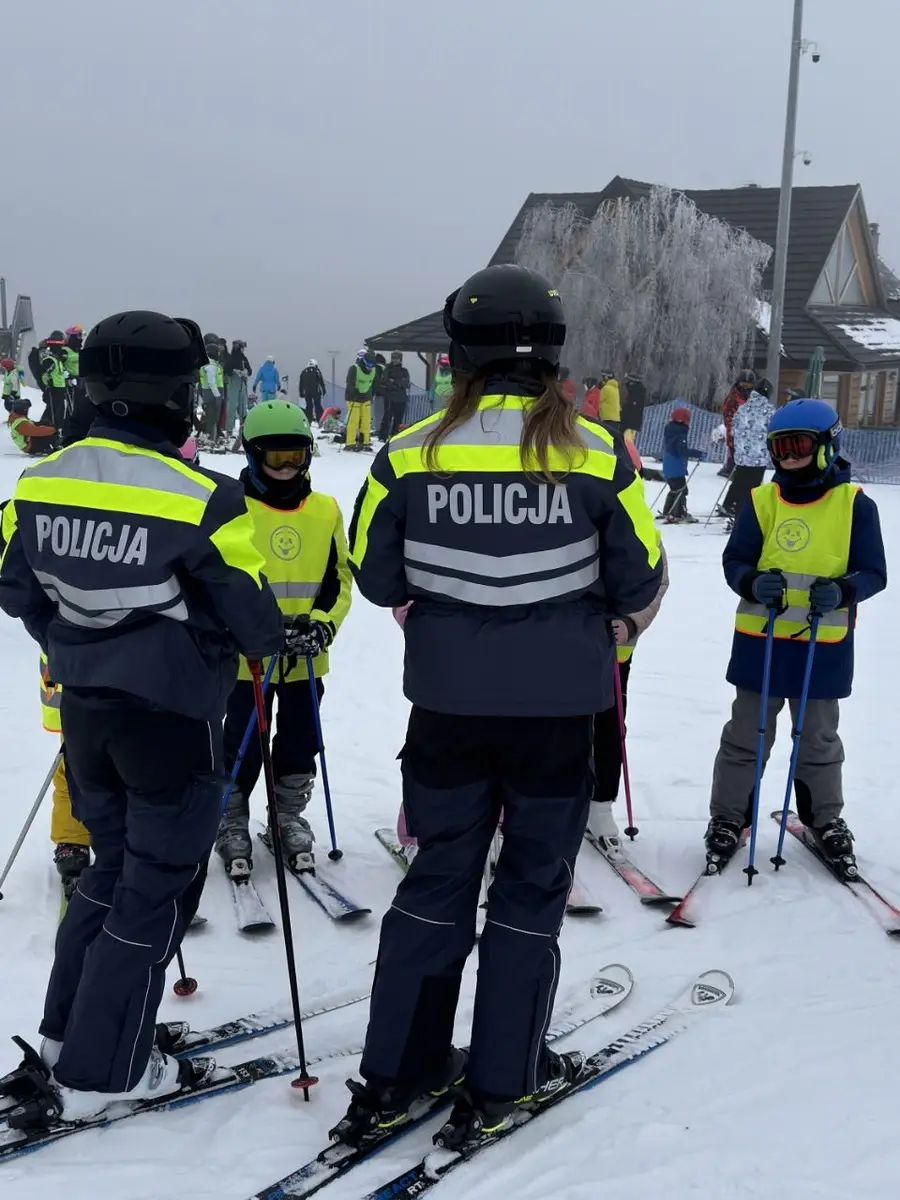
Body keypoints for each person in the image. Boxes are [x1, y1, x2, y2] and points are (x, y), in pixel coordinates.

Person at [339, 263, 662, 1152]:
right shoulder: (599, 454)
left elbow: (375, 576)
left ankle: (398, 1073)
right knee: (529, 891)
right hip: (558, 717)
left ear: (456, 357)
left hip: (447, 709)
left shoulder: (409, 454)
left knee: (437, 880)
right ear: (554, 355)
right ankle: (503, 1077)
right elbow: (641, 576)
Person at [0, 310, 283, 1123]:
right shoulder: (203, 498)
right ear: (175, 395)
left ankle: (66, 1039)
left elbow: (16, 587)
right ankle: (109, 1065)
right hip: (171, 720)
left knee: (109, 874)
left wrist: (78, 637)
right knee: (153, 891)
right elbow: (257, 621)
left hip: (87, 717)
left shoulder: (39, 481)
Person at [705, 399, 886, 874]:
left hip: (820, 650)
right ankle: (728, 817)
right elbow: (735, 561)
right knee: (746, 736)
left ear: (827, 445)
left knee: (818, 739)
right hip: (760, 645)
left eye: (799, 446)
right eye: (779, 449)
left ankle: (825, 820)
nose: (787, 458)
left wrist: (845, 589)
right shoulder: (762, 501)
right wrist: (750, 581)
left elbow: (874, 572)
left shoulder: (854, 506)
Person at [216, 401, 352, 877]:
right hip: (244, 659)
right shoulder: (232, 507)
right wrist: (250, 628)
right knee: (242, 740)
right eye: (275, 458)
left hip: (305, 659)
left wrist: (321, 624)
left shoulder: (325, 511)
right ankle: (230, 820)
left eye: (296, 455)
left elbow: (338, 580)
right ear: (253, 456)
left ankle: (288, 816)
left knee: (300, 739)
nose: (287, 467)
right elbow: (221, 580)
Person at [720, 379, 775, 520]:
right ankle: (744, 514)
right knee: (753, 487)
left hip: (742, 455)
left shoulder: (743, 408)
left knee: (740, 482)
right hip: (759, 456)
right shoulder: (770, 411)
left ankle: (732, 506)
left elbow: (733, 428)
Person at [661, 405, 696, 523]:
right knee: (681, 490)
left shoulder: (671, 431)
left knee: (674, 489)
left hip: (669, 467)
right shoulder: (680, 434)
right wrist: (698, 453)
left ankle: (668, 510)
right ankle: (678, 512)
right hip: (676, 468)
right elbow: (682, 451)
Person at [720, 369, 757, 477]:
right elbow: (728, 416)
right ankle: (733, 471)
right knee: (736, 453)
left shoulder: (753, 397)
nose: (745, 387)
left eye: (748, 384)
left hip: (749, 433)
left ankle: (741, 472)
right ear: (738, 383)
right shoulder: (733, 397)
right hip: (736, 432)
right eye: (743, 383)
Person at [343, 348, 377, 452]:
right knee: (354, 420)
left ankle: (365, 441)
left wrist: (371, 395)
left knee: (366, 421)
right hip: (353, 398)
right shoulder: (354, 368)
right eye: (368, 364)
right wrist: (355, 393)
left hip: (366, 398)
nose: (369, 367)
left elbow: (373, 384)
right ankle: (350, 443)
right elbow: (350, 384)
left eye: (372, 365)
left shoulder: (373, 371)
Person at [38, 331, 71, 433]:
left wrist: (65, 376)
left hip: (60, 388)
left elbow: (59, 373)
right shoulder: (50, 360)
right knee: (54, 411)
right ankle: (50, 430)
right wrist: (48, 384)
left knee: (59, 410)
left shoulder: (57, 359)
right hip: (54, 389)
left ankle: (54, 429)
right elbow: (43, 374)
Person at [377, 351, 411, 441]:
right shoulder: (387, 369)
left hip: (401, 399)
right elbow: (384, 381)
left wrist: (394, 382)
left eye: (397, 358)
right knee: (387, 417)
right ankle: (383, 436)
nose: (395, 360)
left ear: (400, 360)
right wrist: (396, 384)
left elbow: (406, 383)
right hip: (390, 397)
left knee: (398, 419)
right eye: (393, 358)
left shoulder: (404, 371)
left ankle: (395, 436)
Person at [197, 342, 225, 448]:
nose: (218, 354)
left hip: (210, 392)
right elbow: (211, 382)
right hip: (213, 393)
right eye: (217, 352)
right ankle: (210, 437)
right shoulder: (210, 366)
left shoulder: (211, 364)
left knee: (210, 415)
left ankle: (211, 436)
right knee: (213, 416)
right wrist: (217, 395)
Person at [224, 339, 252, 436]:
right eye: (243, 348)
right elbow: (226, 370)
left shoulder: (244, 358)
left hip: (242, 384)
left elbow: (250, 370)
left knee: (243, 407)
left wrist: (246, 372)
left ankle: (243, 428)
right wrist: (234, 371)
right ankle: (229, 429)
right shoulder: (231, 358)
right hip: (233, 383)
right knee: (232, 406)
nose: (244, 350)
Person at [299, 358, 327, 426]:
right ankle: (319, 420)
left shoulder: (303, 371)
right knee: (318, 406)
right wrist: (323, 390)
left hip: (307, 392)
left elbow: (301, 384)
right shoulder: (317, 370)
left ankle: (309, 420)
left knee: (309, 406)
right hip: (316, 392)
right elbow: (321, 381)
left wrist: (301, 393)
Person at [621, 373, 647, 443]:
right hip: (631, 424)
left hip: (629, 424)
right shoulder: (637, 393)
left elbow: (631, 409)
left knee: (626, 442)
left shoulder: (636, 395)